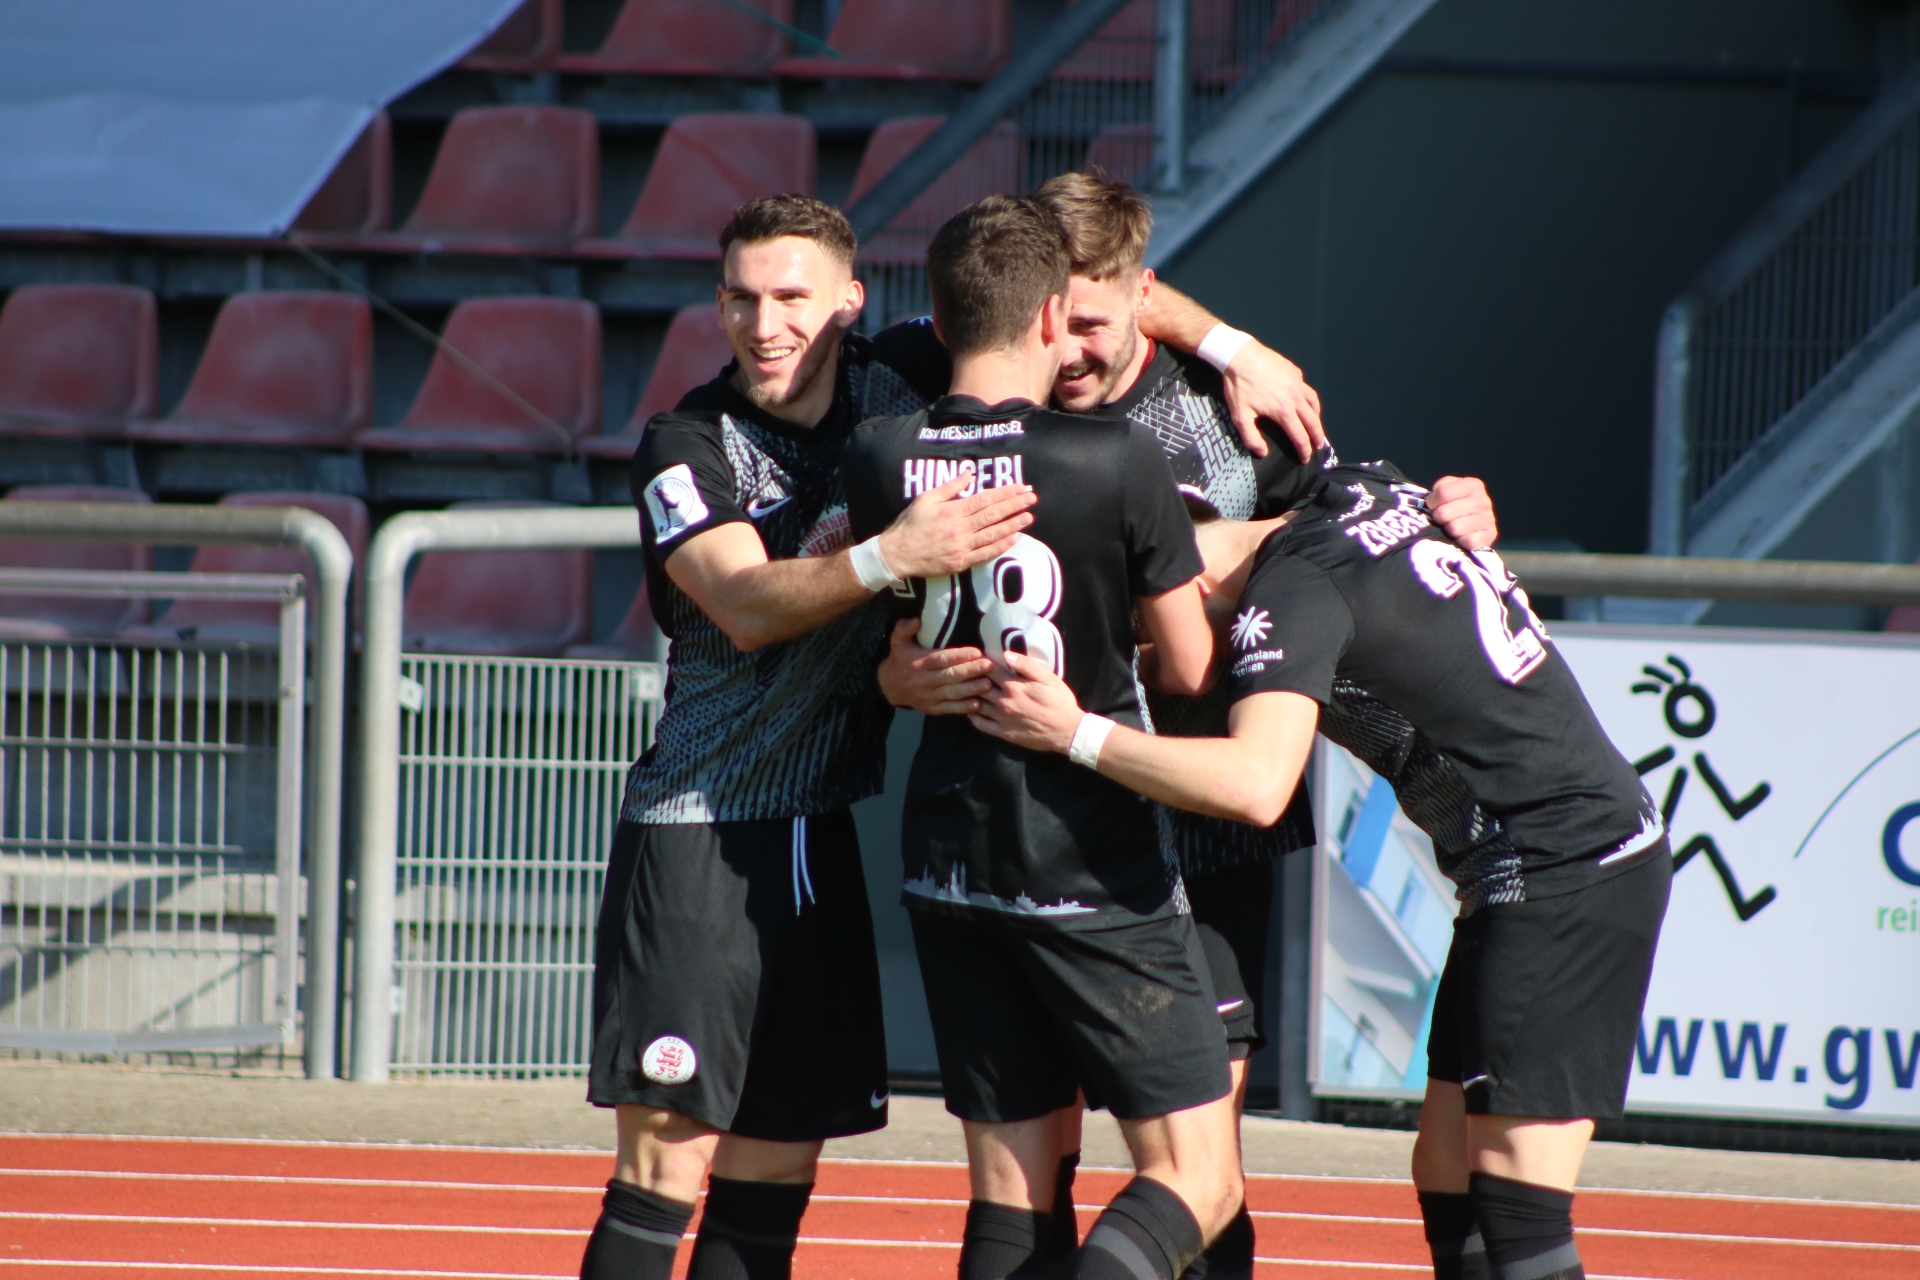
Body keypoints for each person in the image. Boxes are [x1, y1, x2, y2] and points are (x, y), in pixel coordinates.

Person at [582, 192, 1326, 1280]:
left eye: (791, 297)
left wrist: (1232, 348)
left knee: (773, 1174)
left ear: (851, 301)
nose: (765, 324)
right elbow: (740, 604)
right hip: (702, 827)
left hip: (825, 827)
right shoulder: (686, 441)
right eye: (740, 298)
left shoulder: (892, 386)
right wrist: (890, 558)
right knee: (664, 1166)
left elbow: (1061, 280)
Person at [876, 171, 1501, 1278]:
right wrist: (896, 669)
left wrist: (1454, 512)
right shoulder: (965, 371)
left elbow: (1360, 536)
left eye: (1098, 323)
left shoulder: (1237, 422)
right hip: (1038, 821)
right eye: (1060, 322)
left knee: (1204, 1175)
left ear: (1143, 297)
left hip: (1202, 833)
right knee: (1037, 1176)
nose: (1069, 352)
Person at [970, 447, 1671, 1280]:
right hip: (1549, 858)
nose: (1168, 666)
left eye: (1148, 638)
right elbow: (1433, 506)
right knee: (1447, 1174)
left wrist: (1077, 733)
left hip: (1565, 865)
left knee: (1518, 1205)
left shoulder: (1291, 596)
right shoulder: (1356, 487)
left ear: (1180, 587)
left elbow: (1256, 785)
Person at [841, 194, 1241, 1280]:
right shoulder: (1117, 456)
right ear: (1056, 314)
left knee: (1012, 1195)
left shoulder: (877, 456)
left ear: (938, 316)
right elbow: (1190, 667)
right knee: (1200, 1178)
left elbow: (899, 638)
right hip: (1093, 858)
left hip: (948, 857)